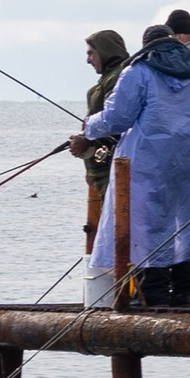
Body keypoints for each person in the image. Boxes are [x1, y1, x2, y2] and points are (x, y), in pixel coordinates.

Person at [84, 23, 190, 305]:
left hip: (148, 162)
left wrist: (90, 126)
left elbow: (118, 117)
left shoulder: (138, 71)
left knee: (147, 223)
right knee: (187, 220)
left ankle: (154, 291)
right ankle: (186, 291)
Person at [69, 29, 130, 250]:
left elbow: (118, 123)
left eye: (91, 53)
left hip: (115, 171)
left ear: (105, 51)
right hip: (102, 172)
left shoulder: (118, 79)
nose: (88, 60)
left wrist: (88, 141)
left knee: (118, 232)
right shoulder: (109, 79)